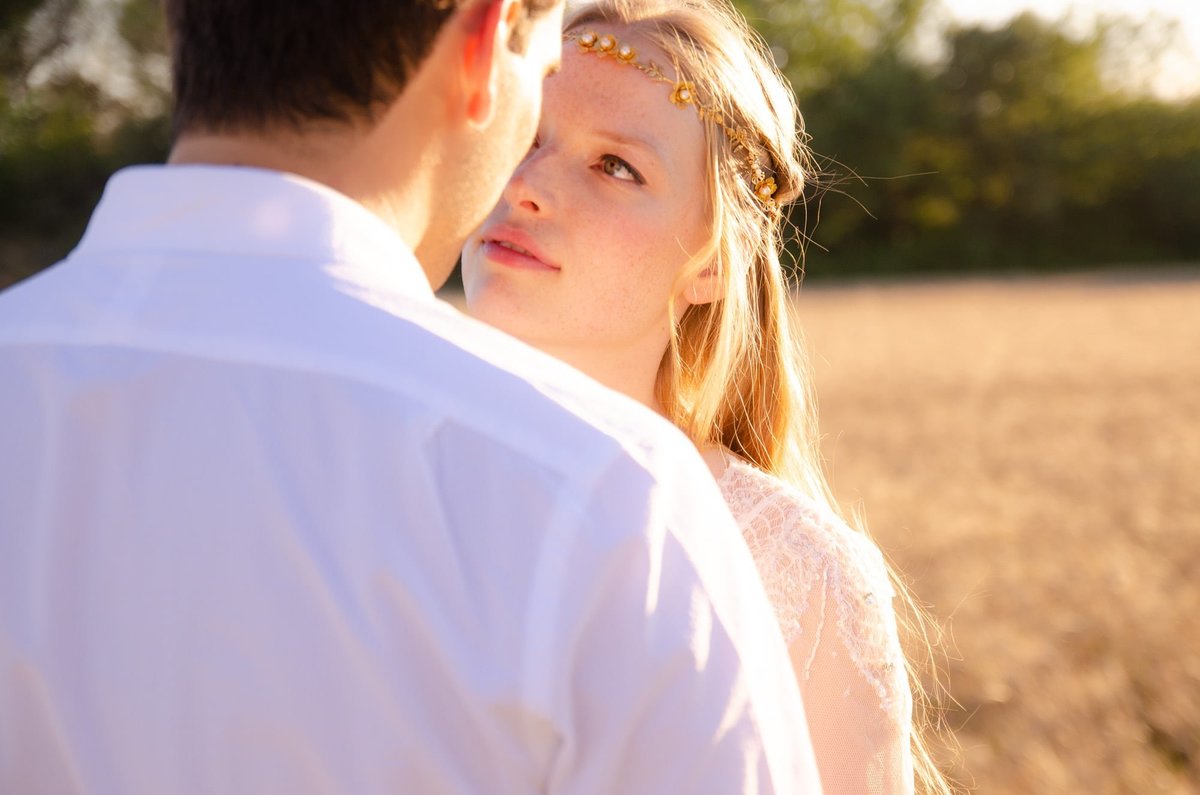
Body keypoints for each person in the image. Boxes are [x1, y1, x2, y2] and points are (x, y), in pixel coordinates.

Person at [0, 1, 823, 792]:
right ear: (486, 39)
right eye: (541, 76)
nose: (530, 180)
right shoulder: (608, 502)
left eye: (613, 164)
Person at [462, 0, 952, 792]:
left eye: (615, 165)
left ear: (710, 263)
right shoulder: (366, 469)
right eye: (525, 138)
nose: (527, 186)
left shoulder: (800, 572)